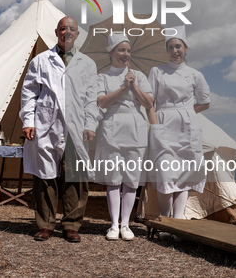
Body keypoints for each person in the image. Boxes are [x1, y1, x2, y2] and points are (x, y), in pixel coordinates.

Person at [19, 16, 98, 242]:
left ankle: (71, 225)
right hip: (47, 124)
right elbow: (29, 93)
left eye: (71, 29)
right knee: (45, 177)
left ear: (77, 34)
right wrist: (28, 121)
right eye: (63, 28)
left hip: (76, 125)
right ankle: (46, 225)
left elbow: (92, 98)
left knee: (76, 178)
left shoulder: (87, 64)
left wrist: (91, 124)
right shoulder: (41, 60)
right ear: (56, 32)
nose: (67, 32)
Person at [147, 26, 210, 227]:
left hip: (187, 126)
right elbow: (150, 100)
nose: (175, 51)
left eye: (178, 46)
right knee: (165, 173)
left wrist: (187, 113)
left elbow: (205, 101)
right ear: (166, 51)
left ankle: (179, 220)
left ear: (185, 49)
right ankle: (166, 220)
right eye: (171, 47)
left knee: (184, 174)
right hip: (163, 122)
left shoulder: (195, 74)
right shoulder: (156, 72)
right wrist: (157, 124)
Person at [95, 34, 154, 241]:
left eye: (128, 51)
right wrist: (122, 87)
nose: (125, 54)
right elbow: (102, 102)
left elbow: (148, 103)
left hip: (136, 131)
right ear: (111, 53)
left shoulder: (139, 76)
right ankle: (113, 225)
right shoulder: (103, 77)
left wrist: (134, 85)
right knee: (113, 179)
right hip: (112, 129)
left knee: (131, 179)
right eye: (121, 50)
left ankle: (126, 224)